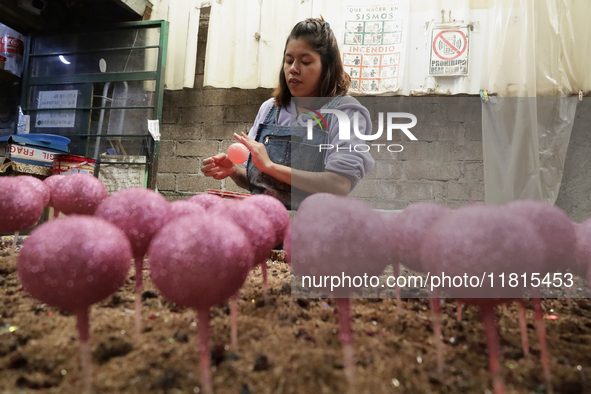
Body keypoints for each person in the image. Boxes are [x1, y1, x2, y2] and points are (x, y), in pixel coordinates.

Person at [201, 17, 375, 209]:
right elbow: (259, 182)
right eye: (289, 60)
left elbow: (339, 185)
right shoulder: (270, 109)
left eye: (306, 62)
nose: (293, 69)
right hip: (265, 224)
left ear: (327, 67)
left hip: (313, 228)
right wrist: (233, 171)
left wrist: (271, 167)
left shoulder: (345, 112)